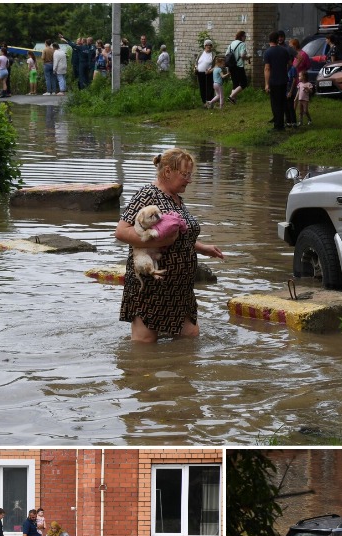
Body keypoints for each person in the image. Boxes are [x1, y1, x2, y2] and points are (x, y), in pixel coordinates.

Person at [114, 148, 224, 342]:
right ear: (167, 172)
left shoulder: (176, 199)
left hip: (179, 290)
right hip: (151, 287)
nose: (189, 180)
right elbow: (122, 231)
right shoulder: (147, 194)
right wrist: (158, 240)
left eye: (190, 174)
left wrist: (201, 247)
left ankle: (178, 369)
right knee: (144, 347)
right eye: (185, 174)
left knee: (190, 337)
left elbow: (180, 236)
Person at [263, 31, 293, 130]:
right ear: (277, 39)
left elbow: (267, 68)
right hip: (284, 80)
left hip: (273, 81)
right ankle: (282, 123)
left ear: (269, 40)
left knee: (275, 103)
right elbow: (290, 63)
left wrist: (266, 84)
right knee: (282, 102)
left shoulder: (268, 52)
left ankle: (278, 125)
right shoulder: (284, 51)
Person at [225, 31, 249, 104]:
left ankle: (233, 101)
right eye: (245, 36)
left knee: (235, 83)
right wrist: (247, 58)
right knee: (244, 83)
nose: (245, 38)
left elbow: (226, 54)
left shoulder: (232, 43)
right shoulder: (242, 44)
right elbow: (242, 55)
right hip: (239, 66)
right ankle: (231, 96)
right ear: (241, 36)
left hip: (232, 66)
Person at [196, 40, 215, 104]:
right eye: (207, 45)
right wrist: (195, 68)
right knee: (202, 88)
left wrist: (210, 71)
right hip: (200, 73)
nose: (208, 46)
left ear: (211, 46)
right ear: (204, 46)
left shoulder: (213, 54)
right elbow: (196, 62)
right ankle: (204, 102)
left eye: (210, 45)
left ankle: (209, 102)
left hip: (208, 73)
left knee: (209, 88)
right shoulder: (201, 53)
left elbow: (215, 66)